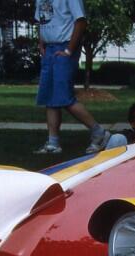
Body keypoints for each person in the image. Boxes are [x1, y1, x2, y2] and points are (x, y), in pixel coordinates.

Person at [33, 0, 110, 154]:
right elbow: (40, 20)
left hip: (65, 46)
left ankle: (99, 133)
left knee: (64, 97)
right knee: (50, 97)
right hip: (49, 48)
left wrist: (69, 50)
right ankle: (53, 143)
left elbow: (80, 21)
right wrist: (41, 43)